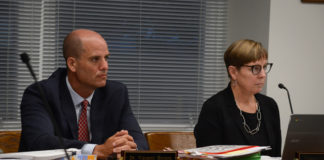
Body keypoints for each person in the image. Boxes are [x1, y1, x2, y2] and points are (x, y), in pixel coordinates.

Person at [19, 29, 148, 159]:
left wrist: (126, 147)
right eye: (95, 59)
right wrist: (94, 150)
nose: (105, 66)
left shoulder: (116, 93)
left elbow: (140, 142)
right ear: (72, 64)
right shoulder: (41, 93)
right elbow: (38, 141)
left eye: (106, 58)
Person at [194, 39, 281, 157]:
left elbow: (277, 155)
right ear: (233, 72)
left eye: (264, 67)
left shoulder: (270, 106)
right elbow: (208, 157)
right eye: (255, 68)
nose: (263, 75)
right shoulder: (214, 108)